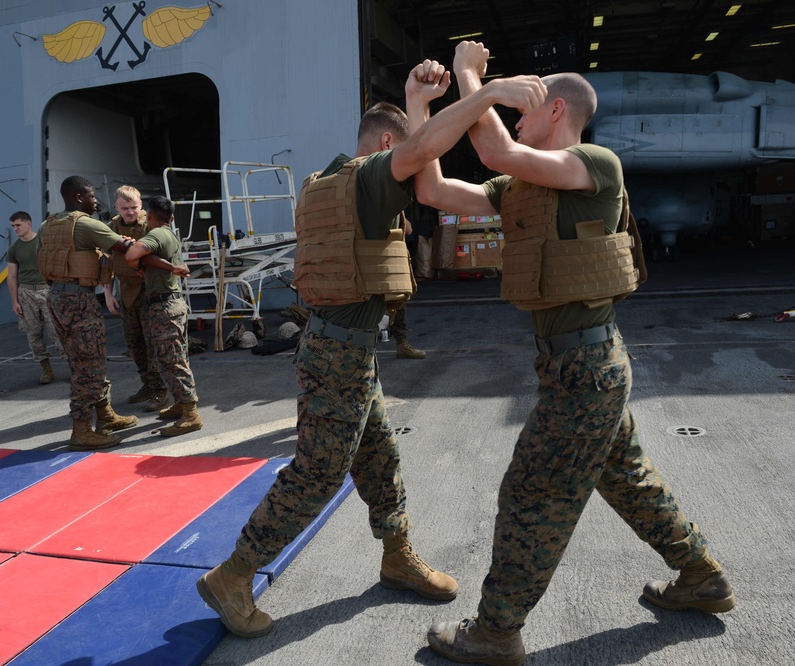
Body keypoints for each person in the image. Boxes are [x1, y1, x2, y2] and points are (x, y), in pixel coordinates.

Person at [195, 60, 547, 640]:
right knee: (317, 472)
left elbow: (422, 150)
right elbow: (428, 145)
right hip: (339, 355)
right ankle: (234, 575)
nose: (414, 167)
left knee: (380, 457)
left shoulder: (323, 182)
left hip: (341, 349)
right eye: (406, 153)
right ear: (387, 146)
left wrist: (416, 99)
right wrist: (489, 91)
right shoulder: (372, 177)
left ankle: (397, 555)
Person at [413, 43, 736, 666]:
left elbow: (495, 150)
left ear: (554, 109)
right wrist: (420, 106)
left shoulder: (594, 164)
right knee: (631, 481)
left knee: (532, 495)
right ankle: (702, 578)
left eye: (523, 109)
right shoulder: (524, 186)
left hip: (584, 372)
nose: (514, 119)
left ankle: (495, 632)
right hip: (578, 369)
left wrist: (470, 78)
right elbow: (433, 189)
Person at [39, 175, 179, 451]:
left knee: (84, 360)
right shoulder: (87, 224)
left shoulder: (49, 225)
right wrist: (170, 266)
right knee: (88, 366)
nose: (95, 201)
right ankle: (81, 430)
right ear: (79, 197)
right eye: (92, 196)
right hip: (79, 301)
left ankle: (105, 415)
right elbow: (130, 250)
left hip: (57, 298)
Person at [123, 195, 198, 437]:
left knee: (173, 362)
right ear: (172, 217)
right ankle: (180, 403)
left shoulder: (155, 235)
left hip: (165, 306)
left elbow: (131, 254)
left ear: (150, 216)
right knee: (171, 359)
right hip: (171, 304)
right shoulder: (170, 234)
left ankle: (191, 414)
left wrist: (138, 263)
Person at [104, 185, 167, 411]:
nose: (130, 212)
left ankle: (161, 391)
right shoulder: (111, 228)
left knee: (154, 344)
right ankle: (148, 385)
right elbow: (106, 262)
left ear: (141, 205)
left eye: (134, 207)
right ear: (116, 207)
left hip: (151, 291)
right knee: (134, 343)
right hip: (127, 292)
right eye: (125, 208)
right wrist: (108, 293)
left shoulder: (152, 224)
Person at [6, 211, 64, 385]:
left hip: (47, 290)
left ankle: (74, 365)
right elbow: (12, 276)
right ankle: (46, 368)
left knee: (57, 331)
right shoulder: (14, 248)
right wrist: (15, 301)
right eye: (13, 226)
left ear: (28, 223)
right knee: (33, 333)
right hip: (26, 293)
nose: (15, 229)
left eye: (18, 225)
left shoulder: (43, 242)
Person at [388, 215, 426, 359]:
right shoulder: (391, 206)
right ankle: (402, 344)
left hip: (373, 264)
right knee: (397, 303)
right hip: (387, 261)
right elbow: (408, 229)